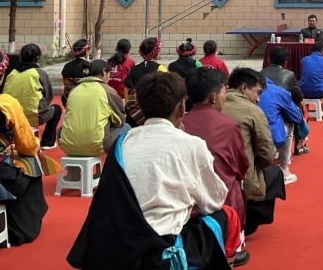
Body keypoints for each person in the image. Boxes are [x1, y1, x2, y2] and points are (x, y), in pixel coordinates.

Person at [67, 70, 237, 270]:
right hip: (161, 248)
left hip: (117, 245)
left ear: (141, 107)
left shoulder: (123, 141)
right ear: (181, 108)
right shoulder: (192, 144)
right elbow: (214, 200)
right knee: (226, 215)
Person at [0, 49, 53, 246]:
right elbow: (27, 145)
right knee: (32, 163)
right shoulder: (6, 102)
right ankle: (20, 227)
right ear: (1, 76)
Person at [183, 67, 250, 260]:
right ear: (213, 97)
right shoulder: (229, 125)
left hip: (186, 197)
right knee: (235, 184)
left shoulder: (180, 123)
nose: (224, 99)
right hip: (219, 198)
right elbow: (241, 167)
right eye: (223, 93)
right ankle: (232, 247)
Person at [221, 68, 286, 236]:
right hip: (239, 177)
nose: (258, 99)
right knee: (275, 172)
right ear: (244, 88)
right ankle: (248, 222)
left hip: (211, 171)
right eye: (258, 92)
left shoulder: (214, 105)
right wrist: (258, 164)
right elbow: (267, 154)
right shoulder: (253, 111)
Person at [59, 59, 129, 156]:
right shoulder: (107, 90)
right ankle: (115, 162)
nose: (109, 78)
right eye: (109, 74)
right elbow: (120, 121)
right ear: (104, 72)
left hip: (67, 145)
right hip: (97, 146)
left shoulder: (74, 90)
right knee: (126, 127)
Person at [3, 43, 62, 149]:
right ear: (37, 58)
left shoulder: (11, 73)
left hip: (12, 116)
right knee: (57, 109)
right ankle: (47, 142)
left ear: (21, 57)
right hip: (34, 116)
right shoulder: (39, 73)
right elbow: (49, 96)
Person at [257, 75, 304, 184]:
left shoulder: (234, 94)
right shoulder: (278, 91)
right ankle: (284, 170)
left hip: (239, 139)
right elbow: (296, 117)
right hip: (267, 138)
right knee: (290, 123)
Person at [260, 47, 307, 154]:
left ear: (269, 59)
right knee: (299, 106)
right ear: (285, 63)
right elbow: (299, 96)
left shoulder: (260, 74)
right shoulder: (289, 75)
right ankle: (298, 143)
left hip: (262, 109)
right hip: (281, 110)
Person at [124, 37, 168, 127]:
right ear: (156, 52)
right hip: (155, 114)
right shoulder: (161, 69)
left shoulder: (134, 69)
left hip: (133, 115)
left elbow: (126, 93)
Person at [299, 42, 323, 118]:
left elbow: (305, 74)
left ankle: (303, 108)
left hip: (303, 91)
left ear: (312, 51)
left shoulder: (304, 60)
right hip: (320, 91)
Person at [61, 39, 91, 106]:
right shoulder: (89, 66)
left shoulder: (67, 66)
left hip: (68, 99)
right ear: (86, 52)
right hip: (85, 99)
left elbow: (64, 82)